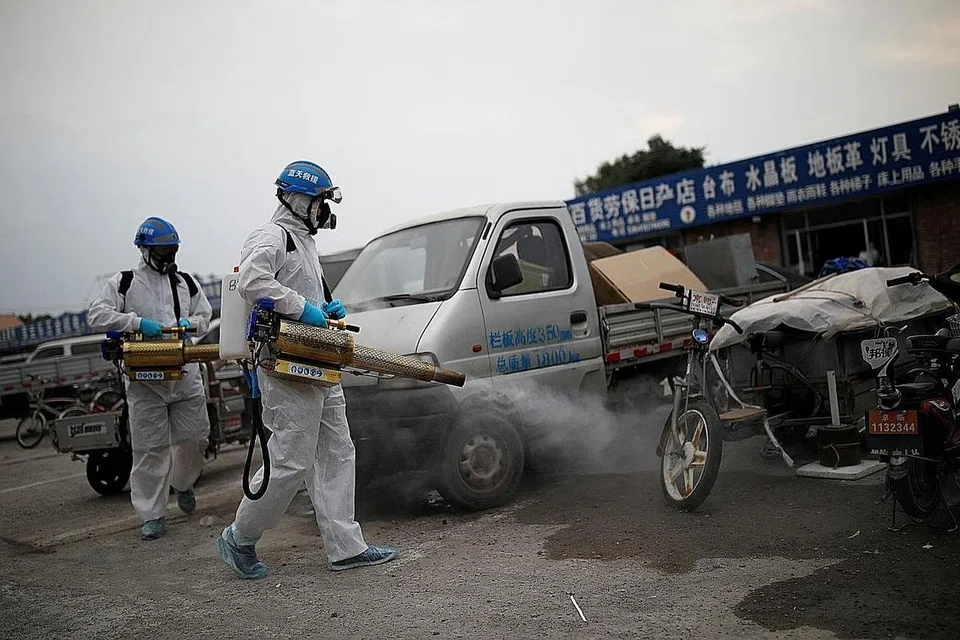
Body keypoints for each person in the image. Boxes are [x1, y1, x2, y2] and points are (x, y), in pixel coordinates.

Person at [216, 160, 398, 580]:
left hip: (316, 360)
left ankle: (345, 548)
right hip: (284, 367)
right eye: (319, 202)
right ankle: (239, 536)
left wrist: (326, 308)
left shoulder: (305, 243)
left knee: (337, 451)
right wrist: (303, 309)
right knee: (291, 460)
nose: (323, 211)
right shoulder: (271, 236)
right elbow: (252, 282)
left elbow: (302, 290)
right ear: (298, 199)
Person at [88, 217, 212, 540]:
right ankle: (152, 515)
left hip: (184, 376)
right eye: (162, 251)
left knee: (196, 438)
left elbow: (206, 314)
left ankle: (183, 484)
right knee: (149, 449)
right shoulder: (125, 282)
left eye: (172, 250)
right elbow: (96, 315)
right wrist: (136, 323)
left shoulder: (186, 283)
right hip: (145, 381)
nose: (168, 257)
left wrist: (191, 325)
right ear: (144, 250)